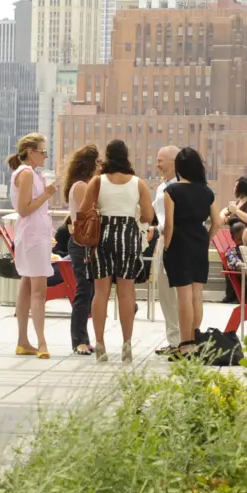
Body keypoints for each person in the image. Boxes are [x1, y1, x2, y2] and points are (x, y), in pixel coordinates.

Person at [86, 139, 154, 363]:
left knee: (101, 293)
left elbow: (85, 210)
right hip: (128, 236)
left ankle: (99, 343)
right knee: (126, 293)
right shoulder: (138, 183)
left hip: (102, 236)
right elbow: (148, 216)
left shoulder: (98, 181)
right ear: (126, 156)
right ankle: (126, 344)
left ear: (107, 156)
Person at [159, 146, 215, 356]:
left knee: (183, 296)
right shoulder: (207, 191)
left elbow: (170, 225)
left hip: (179, 246)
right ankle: (195, 338)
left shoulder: (171, 191)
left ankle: (185, 343)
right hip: (199, 244)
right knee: (197, 295)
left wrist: (167, 246)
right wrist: (205, 240)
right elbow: (217, 222)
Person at [7, 132, 57, 359]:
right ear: (31, 152)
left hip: (34, 235)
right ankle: (41, 342)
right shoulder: (26, 174)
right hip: (32, 237)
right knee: (38, 291)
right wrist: (46, 195)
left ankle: (23, 341)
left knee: (27, 285)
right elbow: (24, 208)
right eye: (42, 151)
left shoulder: (31, 174)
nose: (46, 155)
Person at [61, 143, 100, 356]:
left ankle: (83, 338)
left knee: (88, 291)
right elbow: (93, 211)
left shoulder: (78, 185)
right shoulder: (82, 187)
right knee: (84, 292)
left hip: (82, 243)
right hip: (81, 244)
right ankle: (78, 340)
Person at [149, 145, 182, 350]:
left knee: (179, 293)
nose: (157, 164)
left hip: (177, 241)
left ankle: (184, 339)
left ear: (173, 162)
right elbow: (154, 212)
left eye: (161, 160)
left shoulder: (183, 186)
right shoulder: (162, 187)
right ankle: (174, 339)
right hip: (162, 239)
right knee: (165, 293)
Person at [219, 175, 247, 302]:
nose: (233, 189)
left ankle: (241, 294)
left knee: (232, 258)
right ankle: (232, 294)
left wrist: (236, 211)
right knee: (228, 260)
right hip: (237, 244)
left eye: (236, 186)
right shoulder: (237, 203)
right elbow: (224, 210)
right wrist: (224, 215)